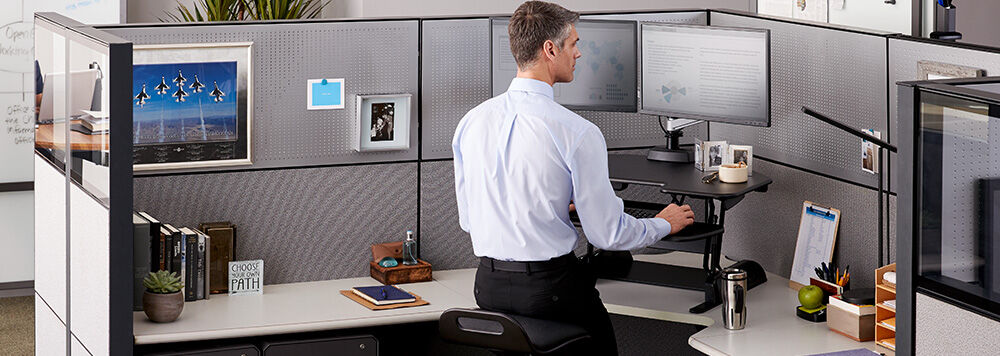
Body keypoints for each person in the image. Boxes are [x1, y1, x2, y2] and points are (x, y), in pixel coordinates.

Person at [451, 2, 695, 354]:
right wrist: (661, 224)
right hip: (549, 292)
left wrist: (545, 209)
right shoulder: (576, 132)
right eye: (573, 44)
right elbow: (606, 234)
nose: (578, 53)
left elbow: (469, 220)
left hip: (487, 288)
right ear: (550, 49)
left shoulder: (471, 122)